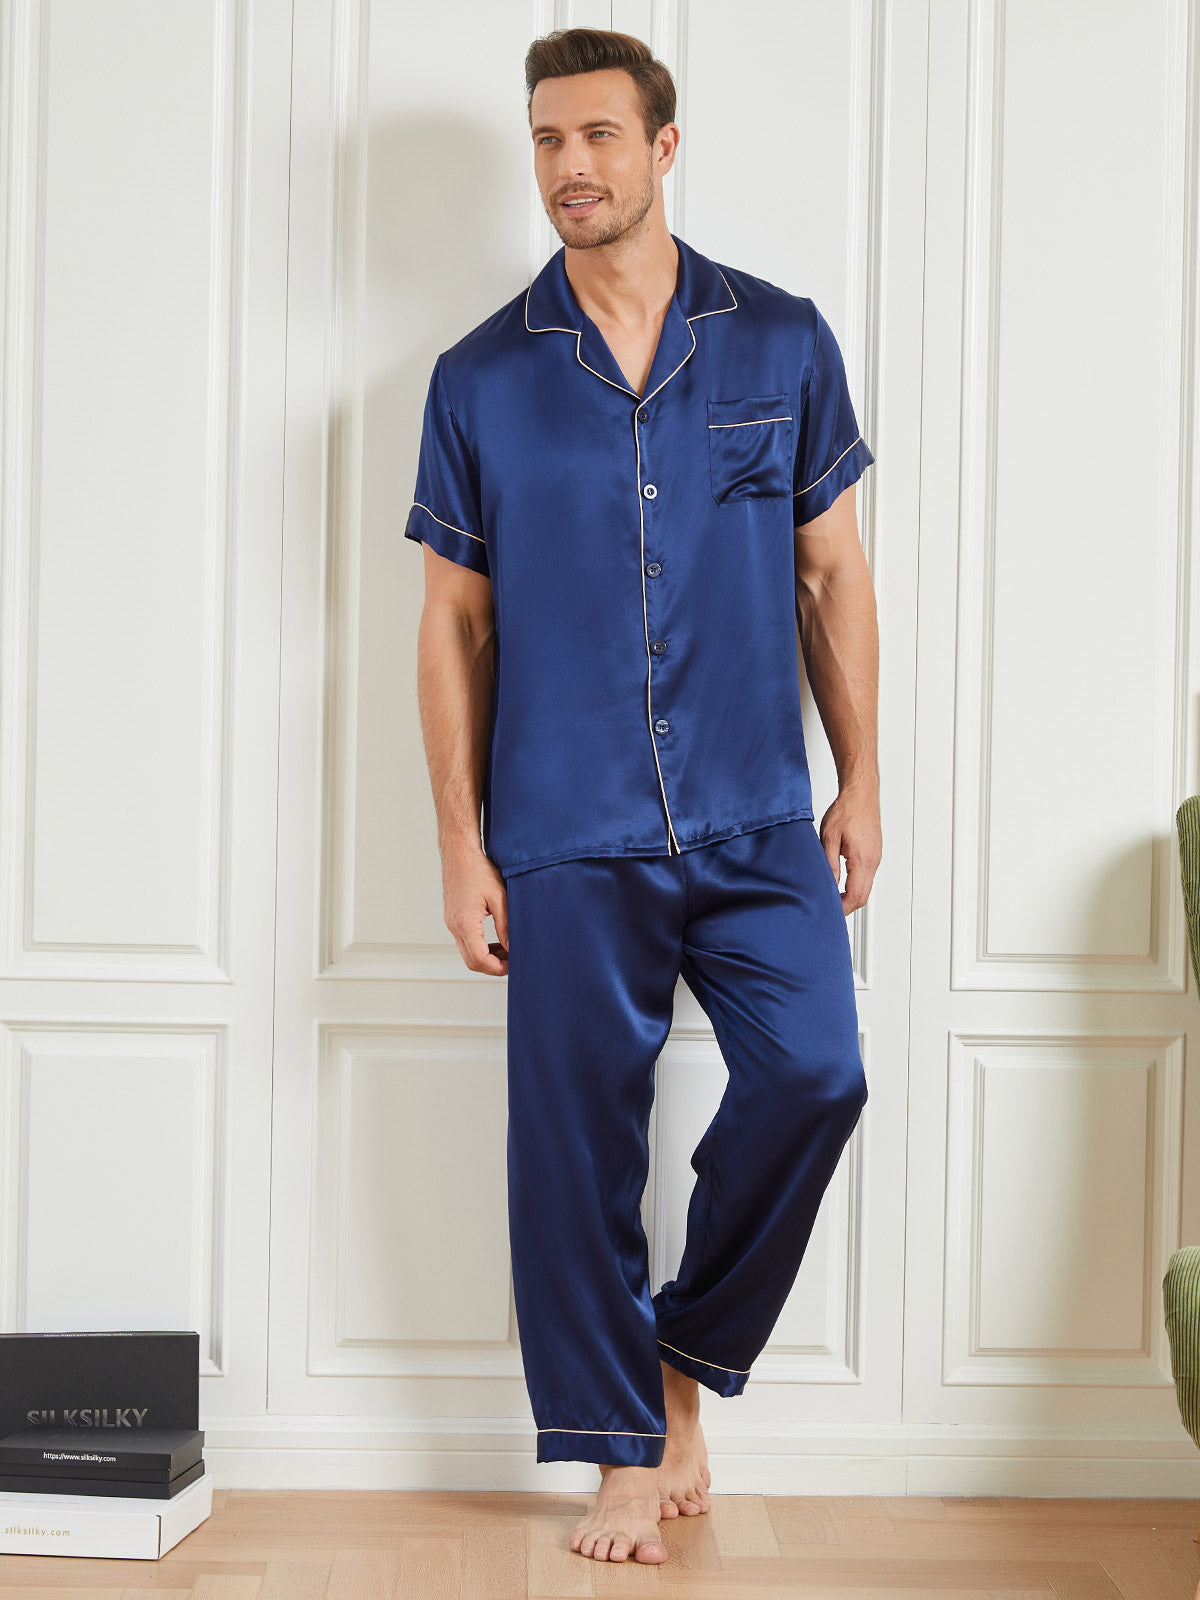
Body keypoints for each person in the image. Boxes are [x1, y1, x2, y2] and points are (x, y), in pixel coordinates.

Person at [404, 25, 881, 1568]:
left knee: (817, 1075)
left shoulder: (782, 342)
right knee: (574, 1150)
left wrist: (865, 777)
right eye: (548, 138)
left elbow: (831, 575)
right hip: (564, 822)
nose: (571, 166)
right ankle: (620, 1453)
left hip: (757, 813)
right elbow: (453, 625)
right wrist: (459, 843)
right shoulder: (480, 378)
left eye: (600, 135)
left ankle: (682, 1356)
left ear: (664, 147)